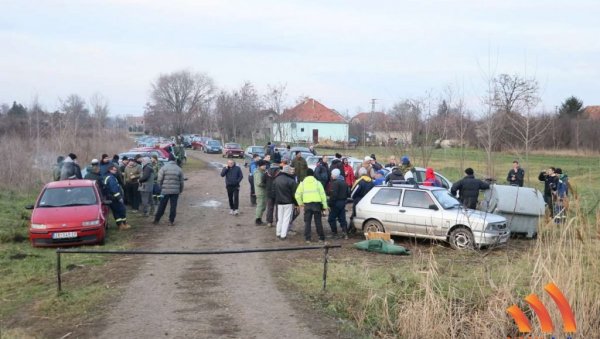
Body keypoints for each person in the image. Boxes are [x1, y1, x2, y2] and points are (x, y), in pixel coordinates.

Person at [295, 168, 328, 243]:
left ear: (306, 175)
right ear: (313, 174)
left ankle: (308, 238)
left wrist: (300, 204)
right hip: (317, 205)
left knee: (307, 222)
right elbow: (323, 195)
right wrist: (325, 206)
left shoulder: (302, 183)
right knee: (318, 221)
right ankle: (321, 238)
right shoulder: (317, 183)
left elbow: (297, 195)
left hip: (307, 205)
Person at [153, 155, 184, 226]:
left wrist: (161, 188)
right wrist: (180, 190)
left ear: (168, 160)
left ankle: (157, 219)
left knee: (162, 205)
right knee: (173, 206)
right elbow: (181, 182)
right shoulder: (179, 169)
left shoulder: (163, 168)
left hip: (165, 191)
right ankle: (171, 221)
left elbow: (159, 180)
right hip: (175, 191)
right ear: (174, 161)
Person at [274, 165, 297, 240]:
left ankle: (278, 233)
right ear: (288, 171)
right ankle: (283, 235)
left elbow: (273, 191)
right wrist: (296, 204)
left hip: (279, 202)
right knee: (286, 219)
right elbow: (294, 194)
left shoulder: (276, 179)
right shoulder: (291, 181)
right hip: (288, 202)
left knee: (280, 218)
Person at [104, 164, 129, 230]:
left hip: (111, 197)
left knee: (116, 211)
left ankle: (120, 224)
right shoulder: (111, 178)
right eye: (114, 170)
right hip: (114, 198)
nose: (116, 171)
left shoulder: (108, 177)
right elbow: (114, 189)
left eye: (116, 170)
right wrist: (119, 197)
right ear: (110, 170)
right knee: (121, 210)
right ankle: (123, 224)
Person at [328, 168, 349, 239]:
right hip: (343, 202)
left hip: (336, 203)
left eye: (332, 174)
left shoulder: (335, 183)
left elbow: (334, 195)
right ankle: (345, 233)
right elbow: (348, 193)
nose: (331, 176)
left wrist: (330, 204)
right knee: (342, 218)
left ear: (334, 175)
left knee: (331, 219)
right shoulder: (344, 183)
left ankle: (335, 234)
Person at [254, 160, 268, 225]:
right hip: (260, 192)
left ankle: (259, 219)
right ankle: (258, 220)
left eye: (265, 165)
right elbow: (259, 183)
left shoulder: (262, 172)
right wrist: (267, 185)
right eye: (263, 165)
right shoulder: (258, 173)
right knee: (260, 206)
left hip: (262, 192)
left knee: (263, 206)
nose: (265, 166)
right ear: (259, 166)